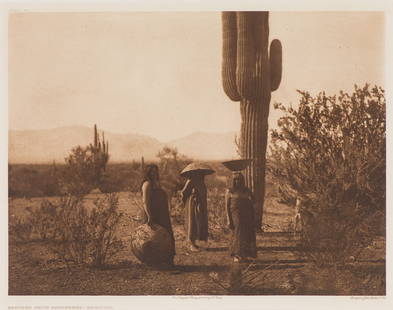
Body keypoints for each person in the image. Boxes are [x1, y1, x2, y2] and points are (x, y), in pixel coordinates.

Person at [141, 164, 175, 266]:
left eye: (156, 171)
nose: (154, 174)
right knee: (152, 239)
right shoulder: (147, 184)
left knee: (167, 236)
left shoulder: (157, 184)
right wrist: (150, 217)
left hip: (162, 214)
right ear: (148, 173)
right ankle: (154, 262)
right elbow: (145, 202)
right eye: (152, 172)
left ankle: (167, 260)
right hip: (153, 214)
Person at [225, 172, 257, 262]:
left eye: (239, 179)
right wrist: (228, 219)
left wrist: (249, 198)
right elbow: (226, 206)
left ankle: (245, 254)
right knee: (238, 233)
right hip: (235, 214)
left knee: (247, 233)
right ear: (232, 180)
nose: (237, 181)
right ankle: (237, 255)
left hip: (247, 215)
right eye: (235, 179)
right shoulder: (229, 191)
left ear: (242, 180)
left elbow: (254, 200)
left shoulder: (246, 190)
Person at [181, 171, 209, 252]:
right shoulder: (191, 180)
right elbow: (183, 192)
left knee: (199, 222)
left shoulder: (201, 181)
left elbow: (204, 193)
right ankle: (191, 244)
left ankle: (195, 242)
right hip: (193, 203)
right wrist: (190, 198)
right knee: (192, 221)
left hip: (200, 203)